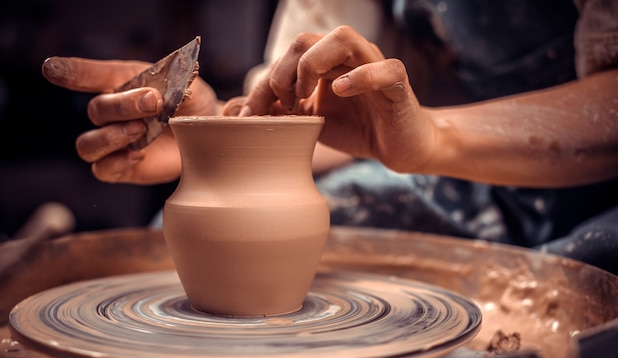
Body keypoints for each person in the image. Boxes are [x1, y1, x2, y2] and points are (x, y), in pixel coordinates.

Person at [42, 0, 618, 273]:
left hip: (602, 193)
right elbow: (304, 110)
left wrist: (433, 138)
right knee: (164, 258)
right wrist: (216, 138)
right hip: (467, 176)